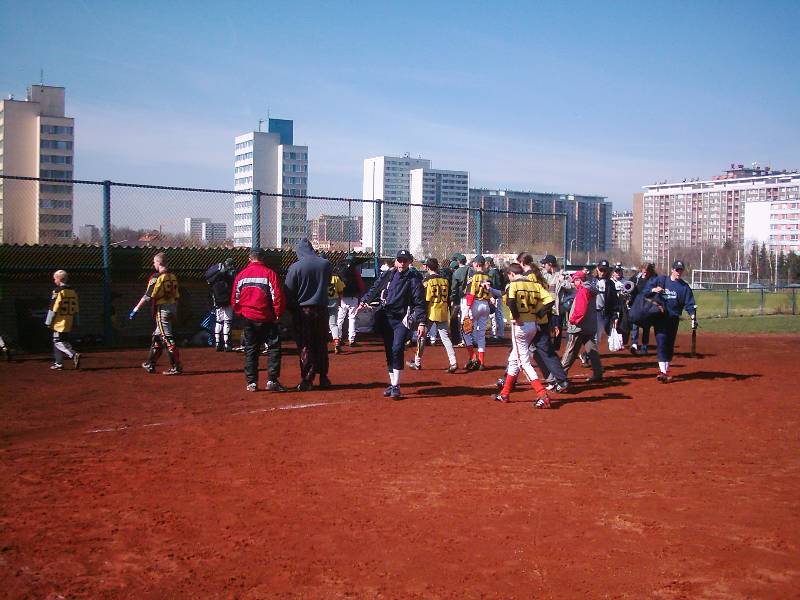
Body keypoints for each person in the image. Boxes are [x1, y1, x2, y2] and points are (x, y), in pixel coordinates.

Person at [358, 249, 426, 399]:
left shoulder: (414, 279)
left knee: (397, 349)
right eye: (399, 260)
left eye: (405, 260)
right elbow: (375, 288)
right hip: (386, 318)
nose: (402, 263)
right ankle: (393, 384)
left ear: (410, 262)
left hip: (401, 319)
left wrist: (421, 322)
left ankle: (396, 386)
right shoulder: (389, 274)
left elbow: (419, 302)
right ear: (396, 261)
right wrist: (364, 301)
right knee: (389, 351)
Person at [493, 263, 552, 408]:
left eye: (509, 276)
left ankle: (542, 394)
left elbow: (511, 301)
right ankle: (505, 393)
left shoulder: (513, 285)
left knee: (523, 362)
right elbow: (550, 301)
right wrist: (538, 314)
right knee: (514, 359)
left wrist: (517, 316)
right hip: (532, 324)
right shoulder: (534, 284)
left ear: (512, 274)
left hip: (520, 326)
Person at [231, 249, 286, 392]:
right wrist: (278, 314)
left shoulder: (241, 275)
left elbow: (235, 299)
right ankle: (272, 380)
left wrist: (240, 312)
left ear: (250, 258)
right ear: (263, 259)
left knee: (251, 349)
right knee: (273, 348)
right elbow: (277, 297)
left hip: (248, 317)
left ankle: (252, 382)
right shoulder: (269, 274)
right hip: (267, 317)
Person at [285, 239, 333, 391]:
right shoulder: (325, 264)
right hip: (322, 309)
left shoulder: (295, 267)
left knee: (306, 345)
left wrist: (292, 309)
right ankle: (323, 377)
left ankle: (307, 379)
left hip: (303, 310)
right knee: (321, 344)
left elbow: (288, 291)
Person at [643, 260, 697, 383]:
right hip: (660, 318)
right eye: (677, 270)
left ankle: (665, 371)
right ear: (672, 270)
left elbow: (689, 304)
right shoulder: (662, 280)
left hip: (673, 319)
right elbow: (644, 291)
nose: (679, 272)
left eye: (681, 270)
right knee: (661, 342)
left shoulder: (684, 287)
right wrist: (653, 290)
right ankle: (662, 371)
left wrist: (693, 316)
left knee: (669, 345)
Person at [129, 252, 182, 375]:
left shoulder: (156, 277)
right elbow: (177, 296)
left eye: (154, 262)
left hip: (162, 310)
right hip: (172, 307)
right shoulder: (172, 276)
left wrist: (135, 309)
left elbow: (148, 296)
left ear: (158, 263)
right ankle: (150, 364)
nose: (153, 264)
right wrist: (175, 311)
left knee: (167, 338)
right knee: (157, 337)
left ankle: (176, 366)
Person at [407, 258, 458, 373]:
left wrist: (421, 316)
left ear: (428, 267)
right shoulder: (445, 280)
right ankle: (453, 361)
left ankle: (417, 362)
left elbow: (425, 300)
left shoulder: (427, 280)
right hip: (443, 311)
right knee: (445, 338)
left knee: (422, 336)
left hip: (430, 312)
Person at [560, 270, 603, 383]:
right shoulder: (590, 289)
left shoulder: (583, 290)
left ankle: (560, 375)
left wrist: (573, 320)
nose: (574, 283)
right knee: (592, 349)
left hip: (579, 326)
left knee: (571, 350)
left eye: (575, 280)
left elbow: (580, 309)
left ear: (580, 280)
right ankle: (598, 372)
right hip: (590, 325)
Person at [45, 269, 81, 370]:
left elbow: (53, 307)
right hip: (68, 319)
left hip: (59, 321)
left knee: (58, 341)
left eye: (54, 279)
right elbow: (76, 308)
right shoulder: (73, 291)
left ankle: (73, 354)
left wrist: (48, 321)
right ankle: (58, 363)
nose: (54, 281)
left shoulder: (58, 291)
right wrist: (77, 321)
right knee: (61, 340)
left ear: (59, 279)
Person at [461, 255, 492, 371]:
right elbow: (490, 292)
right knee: (481, 334)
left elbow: (471, 293)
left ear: (476, 264)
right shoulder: (488, 276)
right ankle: (482, 362)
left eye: (474, 263)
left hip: (476, 304)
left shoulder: (473, 276)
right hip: (485, 305)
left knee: (464, 330)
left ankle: (473, 357)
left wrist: (467, 309)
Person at [540, 254, 573, 351]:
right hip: (546, 306)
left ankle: (555, 348)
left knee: (557, 328)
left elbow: (571, 287)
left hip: (558, 307)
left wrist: (562, 281)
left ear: (550, 264)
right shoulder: (544, 275)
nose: (543, 266)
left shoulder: (562, 274)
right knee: (546, 327)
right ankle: (548, 346)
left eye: (545, 264)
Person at [204, 258, 236, 352]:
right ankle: (227, 344)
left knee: (219, 321)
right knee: (227, 321)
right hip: (226, 300)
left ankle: (218, 343)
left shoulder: (215, 275)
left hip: (217, 300)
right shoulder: (229, 274)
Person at [335, 254, 366, 347]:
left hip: (342, 296)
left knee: (340, 318)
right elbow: (360, 284)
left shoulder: (340, 268)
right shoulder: (354, 270)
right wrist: (362, 292)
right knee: (352, 318)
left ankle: (338, 338)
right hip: (353, 297)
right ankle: (351, 340)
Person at [629, 263, 657, 355]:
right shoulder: (637, 277)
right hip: (637, 304)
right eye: (643, 271)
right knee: (635, 324)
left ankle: (644, 347)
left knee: (646, 326)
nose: (644, 273)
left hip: (647, 305)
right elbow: (629, 285)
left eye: (646, 272)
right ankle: (634, 344)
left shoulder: (654, 279)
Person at [449, 253, 469, 346]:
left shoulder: (457, 272)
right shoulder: (471, 270)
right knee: (468, 318)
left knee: (458, 319)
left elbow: (454, 288)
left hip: (459, 298)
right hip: (470, 297)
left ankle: (460, 339)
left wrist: (452, 299)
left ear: (458, 261)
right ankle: (468, 339)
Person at [485, 257, 505, 341]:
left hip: (495, 295)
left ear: (489, 263)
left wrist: (492, 296)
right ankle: (495, 334)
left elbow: (493, 285)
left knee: (497, 315)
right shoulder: (495, 271)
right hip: (497, 294)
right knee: (496, 315)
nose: (484, 264)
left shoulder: (492, 272)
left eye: (485, 263)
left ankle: (498, 334)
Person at [327, 269, 346, 354]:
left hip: (322, 302)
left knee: (320, 324)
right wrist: (340, 301)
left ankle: (321, 345)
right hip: (333, 301)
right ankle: (337, 341)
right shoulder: (335, 277)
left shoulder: (319, 275)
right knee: (333, 324)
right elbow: (341, 291)